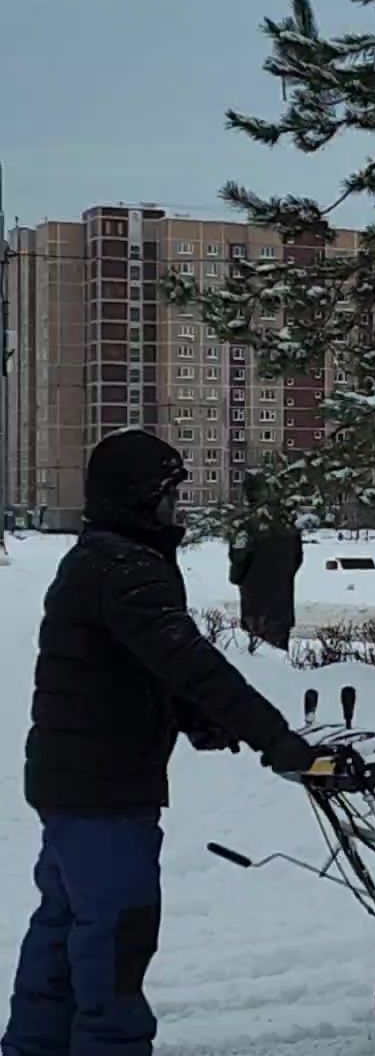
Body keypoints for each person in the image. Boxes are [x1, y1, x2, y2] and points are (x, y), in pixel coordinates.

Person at [3, 428, 319, 1056]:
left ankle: (34, 1048)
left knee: (63, 934)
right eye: (168, 495)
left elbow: (143, 667)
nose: (177, 508)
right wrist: (276, 739)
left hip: (75, 785)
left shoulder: (104, 559)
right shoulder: (125, 569)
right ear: (135, 498)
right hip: (104, 790)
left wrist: (197, 720)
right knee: (115, 940)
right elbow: (190, 662)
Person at [227, 473, 303, 651]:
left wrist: (239, 576)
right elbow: (297, 559)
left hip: (255, 607)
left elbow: (238, 565)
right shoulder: (287, 524)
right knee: (279, 658)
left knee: (259, 658)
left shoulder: (246, 525)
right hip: (282, 605)